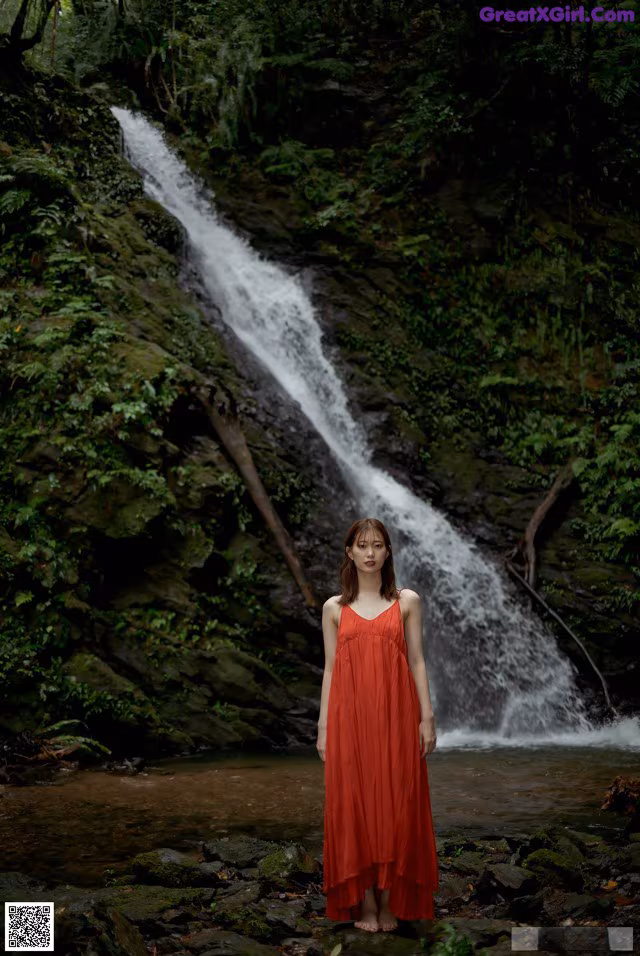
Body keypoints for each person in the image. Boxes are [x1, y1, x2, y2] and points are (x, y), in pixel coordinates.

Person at [317, 517, 439, 933]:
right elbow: (330, 671)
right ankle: (365, 902)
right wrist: (323, 729)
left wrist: (427, 718)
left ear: (388, 552)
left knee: (396, 804)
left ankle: (390, 899)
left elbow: (418, 660)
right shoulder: (334, 608)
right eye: (362, 545)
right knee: (355, 806)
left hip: (397, 717)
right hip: (349, 720)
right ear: (349, 552)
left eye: (378, 545)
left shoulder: (407, 601)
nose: (370, 553)